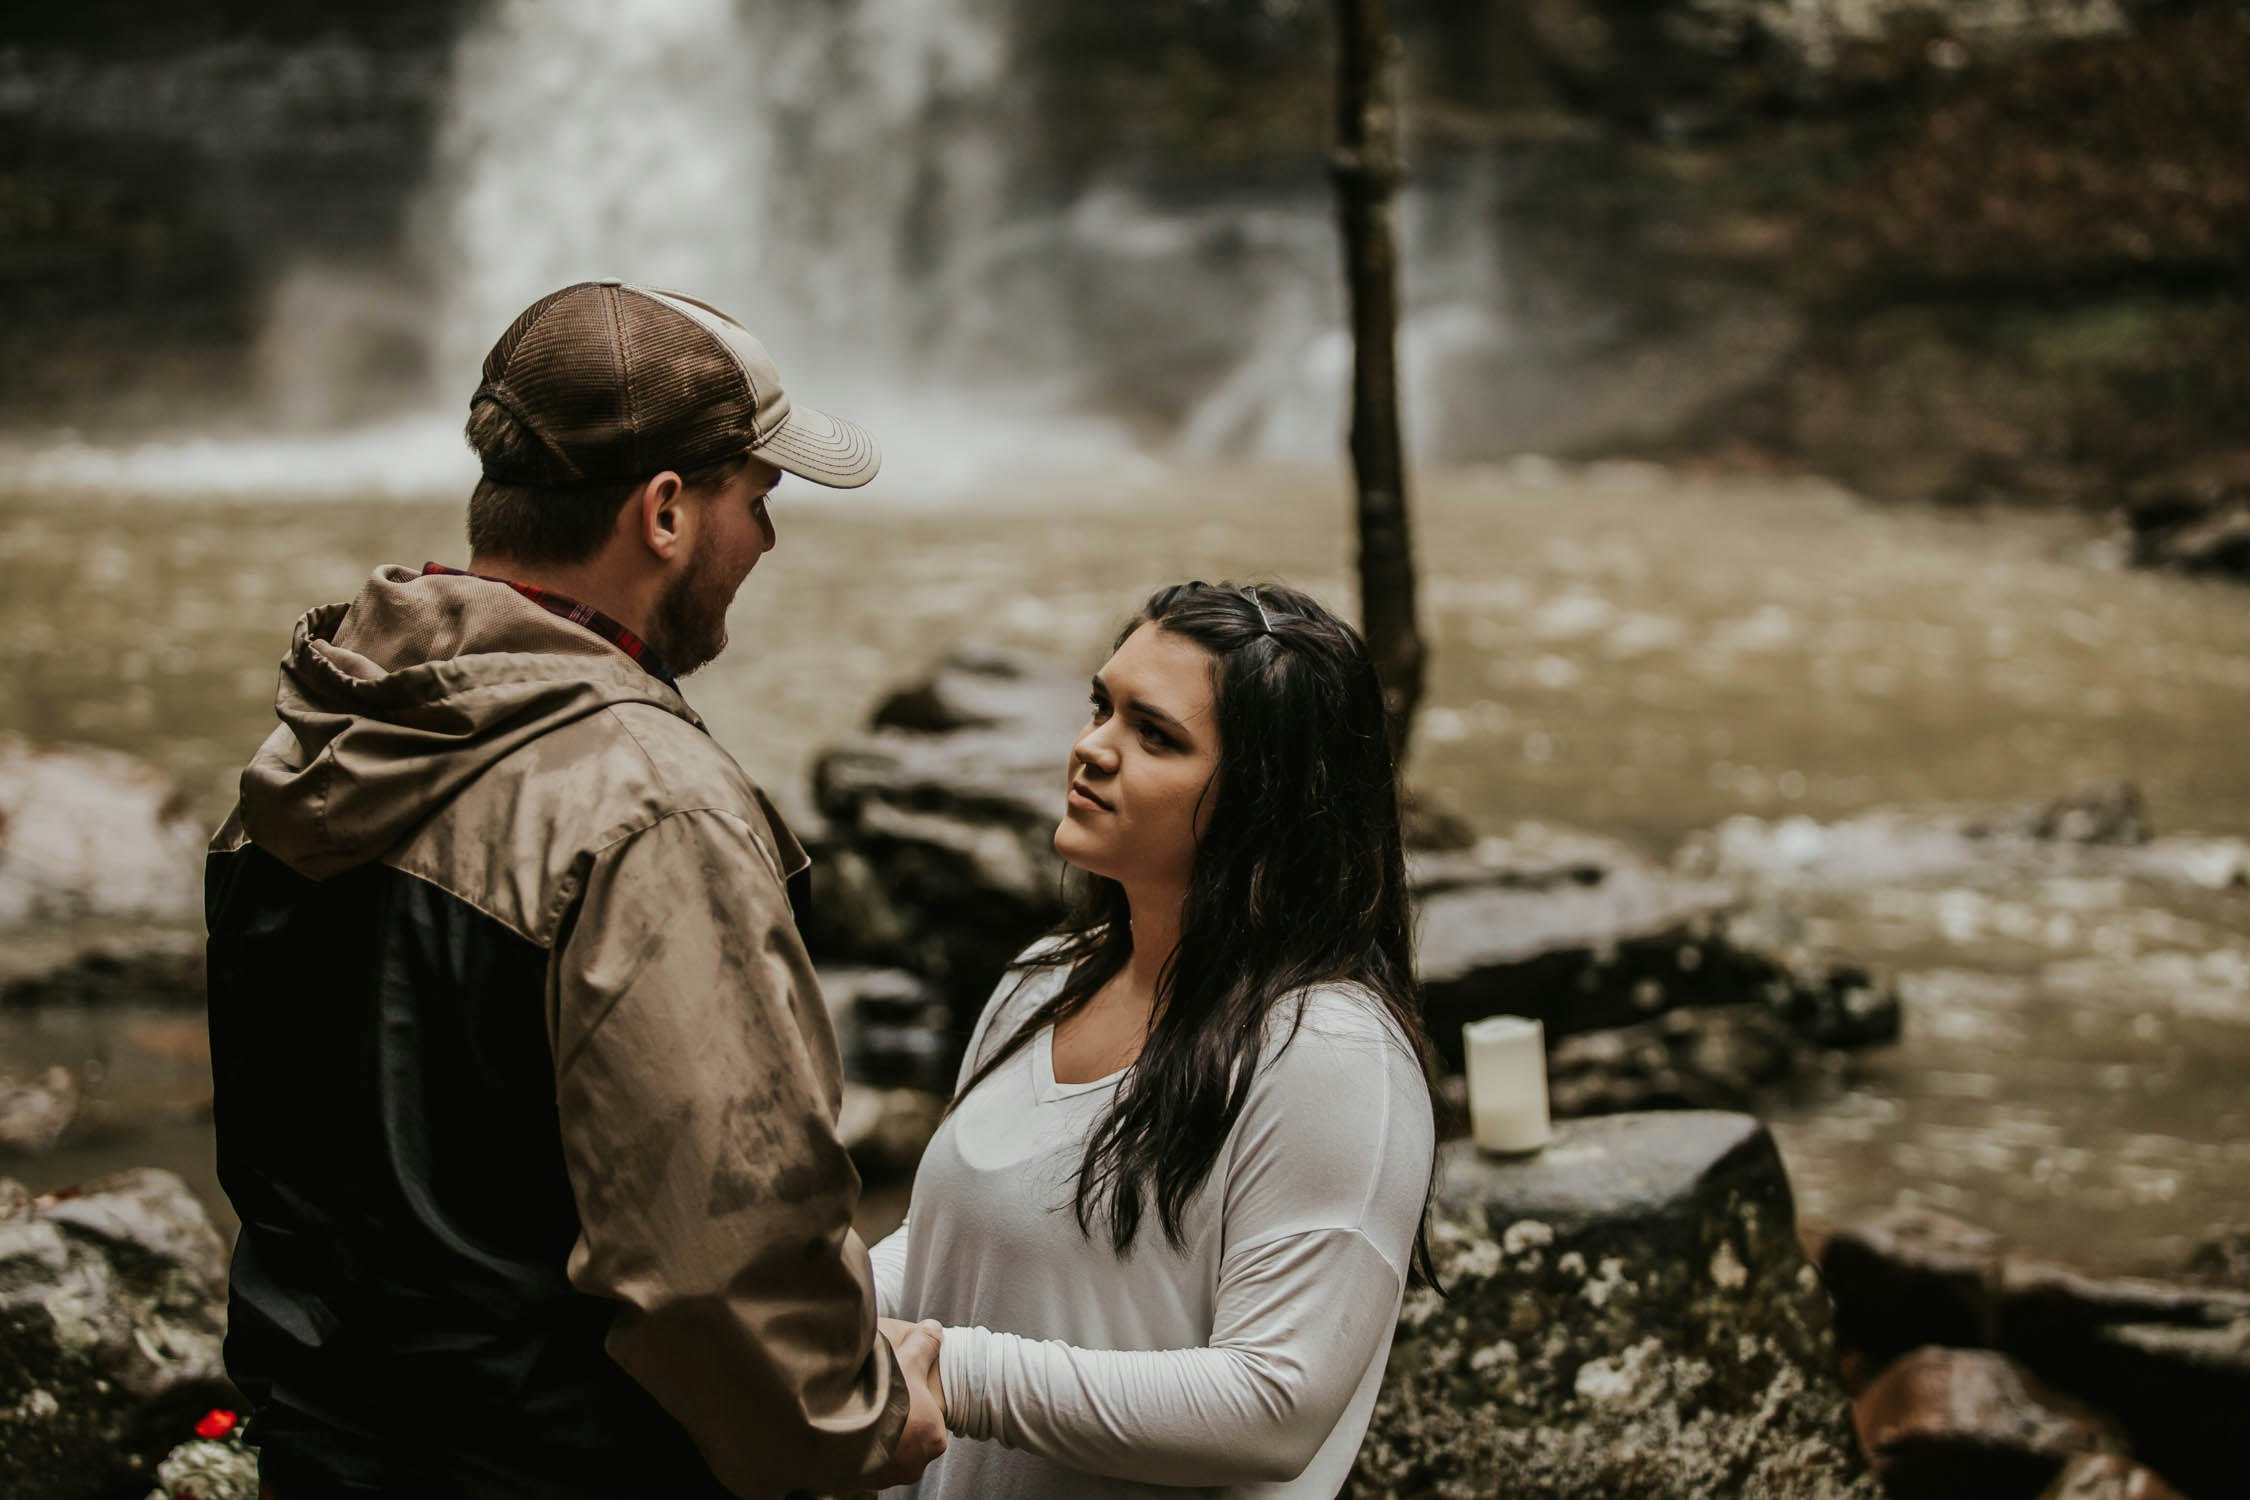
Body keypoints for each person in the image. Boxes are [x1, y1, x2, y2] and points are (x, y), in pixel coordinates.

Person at [203, 279, 946, 1499]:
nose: (767, 540)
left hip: (325, 1454)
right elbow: (714, 1260)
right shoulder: (652, 810)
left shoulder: (312, 747)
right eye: (757, 500)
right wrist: (860, 1414)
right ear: (664, 513)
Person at [869, 580, 1440, 1497]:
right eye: (1103, 706)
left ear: (1267, 800)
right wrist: (818, 1304)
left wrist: (955, 1374)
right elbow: (952, 1241)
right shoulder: (1043, 980)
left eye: (1155, 734)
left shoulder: (1329, 1053)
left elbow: (1274, 1404)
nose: (1092, 749)